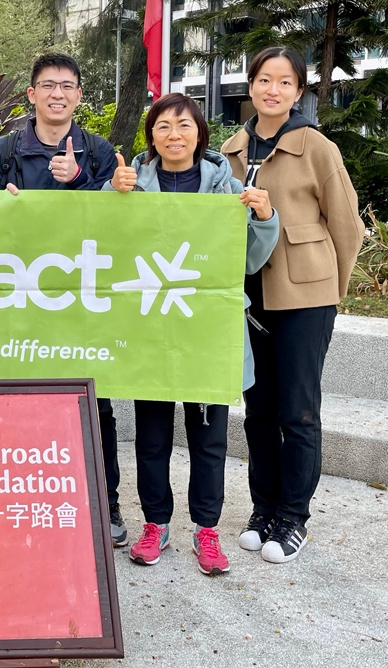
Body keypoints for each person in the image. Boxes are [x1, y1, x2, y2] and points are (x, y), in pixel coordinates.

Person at [107, 93, 278, 575]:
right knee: (151, 436)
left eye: (183, 125)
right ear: (151, 137)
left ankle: (206, 529)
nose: (174, 135)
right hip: (150, 326)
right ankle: (155, 524)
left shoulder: (227, 188)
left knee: (209, 440)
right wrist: (108, 195)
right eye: (162, 127)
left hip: (207, 331)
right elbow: (102, 244)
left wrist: (264, 218)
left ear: (200, 133)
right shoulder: (129, 184)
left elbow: (248, 260)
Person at [221, 46, 364, 564]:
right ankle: (263, 509)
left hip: (306, 296)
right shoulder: (231, 149)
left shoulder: (316, 147)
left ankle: (294, 516)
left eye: (284, 82)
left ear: (298, 92)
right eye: (263, 79)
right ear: (251, 85)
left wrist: (331, 289)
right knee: (258, 408)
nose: (272, 90)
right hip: (248, 294)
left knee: (299, 411)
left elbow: (347, 226)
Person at [0, 53, 127, 546]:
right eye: (48, 85)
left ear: (79, 96)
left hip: (80, 298)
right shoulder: (3, 151)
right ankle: (20, 502)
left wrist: (79, 181)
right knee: (19, 400)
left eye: (67, 85)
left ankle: (106, 506)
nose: (58, 93)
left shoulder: (100, 151)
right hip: (16, 298)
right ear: (32, 94)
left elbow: (115, 225)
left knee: (94, 403)